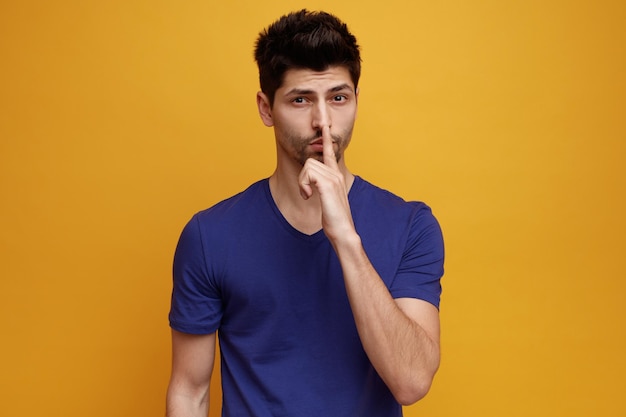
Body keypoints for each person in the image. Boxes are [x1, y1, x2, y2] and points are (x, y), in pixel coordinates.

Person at [166, 9, 444, 417]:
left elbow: (412, 381)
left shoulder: (412, 226)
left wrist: (345, 239)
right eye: (301, 100)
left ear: (355, 101)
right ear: (266, 108)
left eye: (338, 97)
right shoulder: (210, 236)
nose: (323, 122)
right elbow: (189, 393)